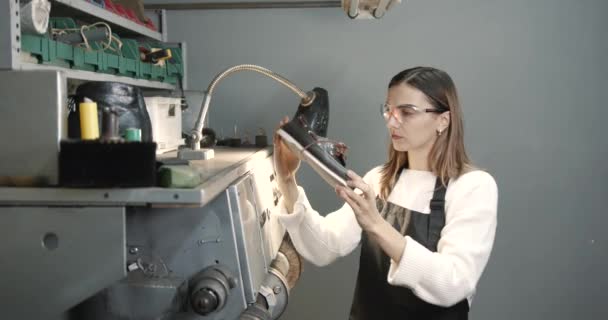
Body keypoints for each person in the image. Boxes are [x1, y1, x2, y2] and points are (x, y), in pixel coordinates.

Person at [272, 66, 498, 320]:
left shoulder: (473, 187)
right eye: (388, 110)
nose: (392, 121)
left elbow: (453, 282)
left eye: (406, 112)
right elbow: (325, 247)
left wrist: (376, 224)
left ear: (442, 121)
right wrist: (287, 179)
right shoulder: (379, 179)